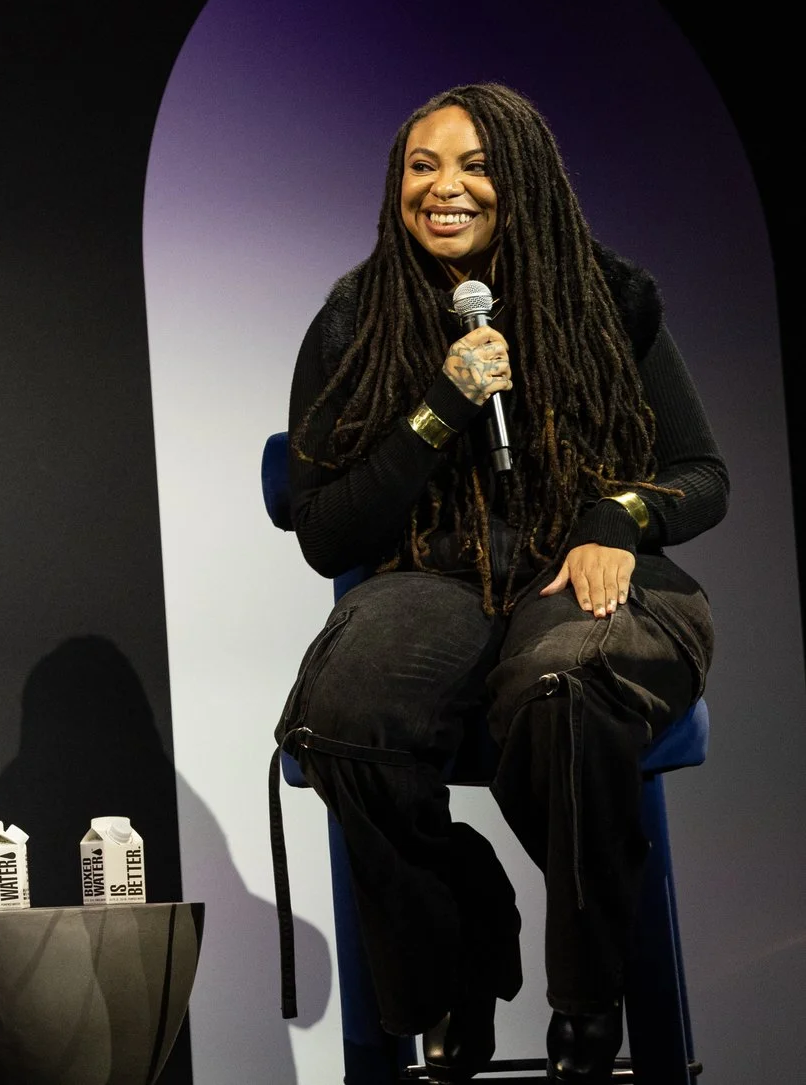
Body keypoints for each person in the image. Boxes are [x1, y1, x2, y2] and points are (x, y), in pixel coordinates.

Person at [276, 83, 722, 1082]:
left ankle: (586, 1006)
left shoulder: (608, 294)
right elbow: (325, 529)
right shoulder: (355, 318)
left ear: (521, 180)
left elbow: (701, 474)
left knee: (560, 683)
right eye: (420, 167)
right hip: (432, 576)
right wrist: (440, 405)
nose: (446, 190)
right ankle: (459, 950)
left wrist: (619, 518)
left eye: (475, 166)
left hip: (581, 565)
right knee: (343, 714)